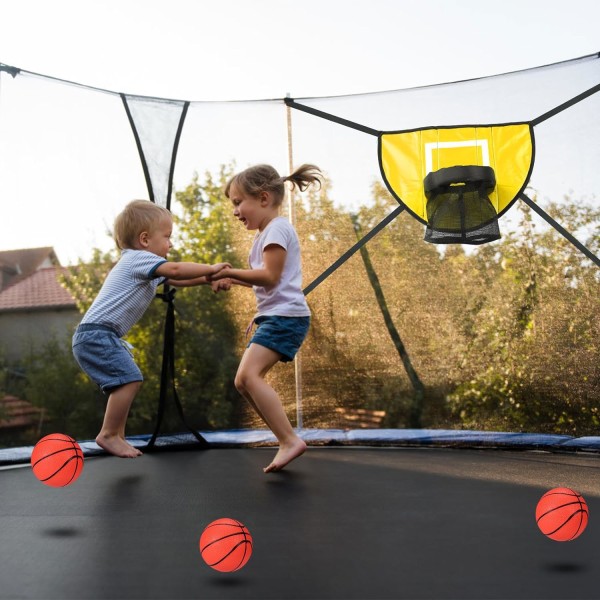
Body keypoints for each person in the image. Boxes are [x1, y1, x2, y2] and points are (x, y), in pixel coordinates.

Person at [72, 199, 230, 458]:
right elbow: (177, 269)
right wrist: (212, 268)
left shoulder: (141, 264)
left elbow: (179, 278)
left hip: (97, 335)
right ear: (145, 240)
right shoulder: (137, 259)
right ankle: (109, 434)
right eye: (167, 237)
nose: (171, 243)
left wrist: (207, 279)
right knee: (130, 379)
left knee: (124, 381)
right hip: (97, 335)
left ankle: (116, 434)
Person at [209, 163, 322, 473]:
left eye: (237, 202)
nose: (234, 211)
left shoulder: (277, 229)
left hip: (286, 318)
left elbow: (270, 276)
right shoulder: (264, 235)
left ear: (263, 198)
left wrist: (231, 273)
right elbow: (263, 279)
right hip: (276, 317)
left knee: (247, 377)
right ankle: (286, 439)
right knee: (243, 381)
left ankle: (289, 440)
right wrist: (232, 278)